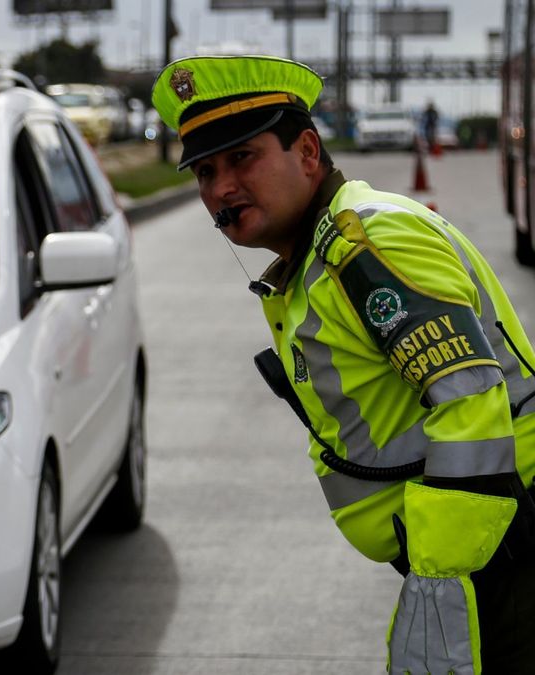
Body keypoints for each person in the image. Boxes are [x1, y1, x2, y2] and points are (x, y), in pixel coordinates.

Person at [151, 55, 535, 673]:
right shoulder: (316, 256)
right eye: (204, 170)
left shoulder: (368, 243)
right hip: (484, 551)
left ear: (306, 152)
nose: (219, 189)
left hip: (501, 555)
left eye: (242, 158)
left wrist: (440, 582)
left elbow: (471, 406)